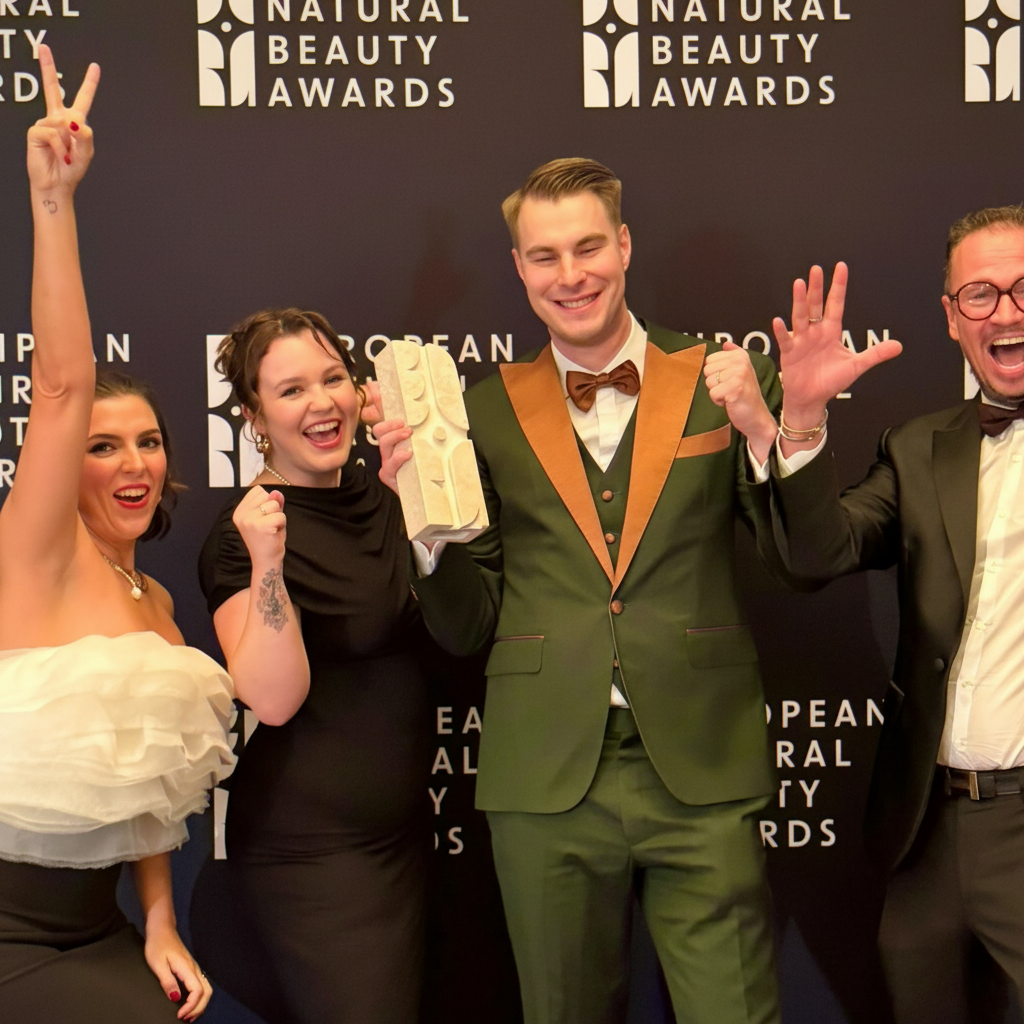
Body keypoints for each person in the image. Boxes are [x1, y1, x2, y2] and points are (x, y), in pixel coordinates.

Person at [374, 157, 800, 1024]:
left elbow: (804, 555)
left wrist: (780, 432)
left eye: (588, 247)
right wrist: (423, 528)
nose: (570, 276)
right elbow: (466, 625)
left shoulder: (725, 379)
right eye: (543, 256)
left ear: (626, 245)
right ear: (519, 269)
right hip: (545, 775)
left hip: (702, 764)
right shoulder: (482, 411)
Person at [0, 46, 236, 1023]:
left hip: (96, 925)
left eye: (147, 442)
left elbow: (144, 791)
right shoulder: (34, 559)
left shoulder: (159, 603)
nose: (131, 463)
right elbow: (60, 383)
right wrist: (52, 202)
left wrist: (159, 920)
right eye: (102, 446)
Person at [758, 213, 1024, 1023]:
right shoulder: (917, 448)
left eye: (1022, 288)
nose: (1007, 313)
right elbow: (815, 556)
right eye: (981, 294)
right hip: (929, 832)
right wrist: (799, 423)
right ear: (950, 317)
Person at [193, 308, 432, 1023]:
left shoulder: (386, 491)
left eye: (334, 379)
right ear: (254, 415)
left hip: (409, 838)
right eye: (291, 389)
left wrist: (412, 494)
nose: (322, 402)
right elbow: (273, 697)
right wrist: (269, 566)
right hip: (314, 854)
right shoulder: (245, 536)